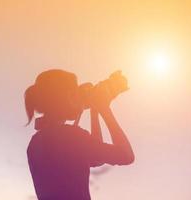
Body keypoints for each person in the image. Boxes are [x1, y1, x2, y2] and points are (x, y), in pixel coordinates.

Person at [25, 69, 135, 200]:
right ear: (65, 98)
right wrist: (104, 107)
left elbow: (95, 159)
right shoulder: (70, 136)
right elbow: (125, 155)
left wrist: (94, 110)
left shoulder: (37, 142)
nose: (79, 97)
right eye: (75, 93)